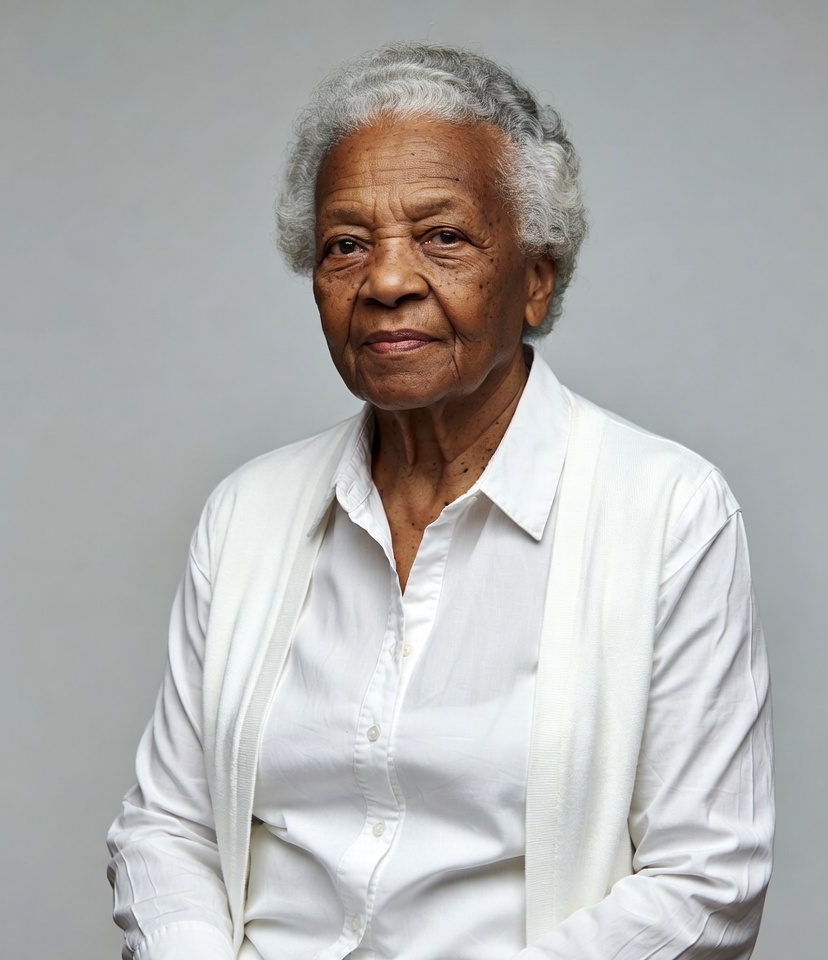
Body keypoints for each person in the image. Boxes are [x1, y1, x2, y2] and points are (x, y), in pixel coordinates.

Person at [107, 42, 774, 960]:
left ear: (536, 279)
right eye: (346, 245)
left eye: (442, 237)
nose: (385, 281)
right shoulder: (246, 514)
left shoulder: (669, 512)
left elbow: (710, 884)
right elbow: (167, 826)